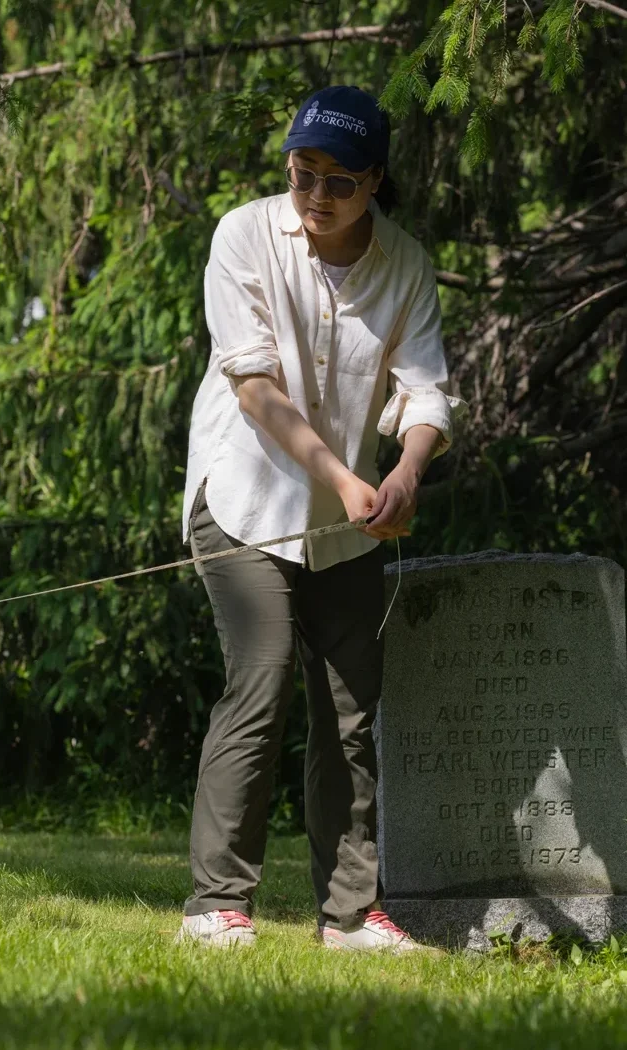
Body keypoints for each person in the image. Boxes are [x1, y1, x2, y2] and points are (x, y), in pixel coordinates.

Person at [177, 85, 461, 951]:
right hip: (241, 499)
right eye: (304, 175)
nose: (317, 197)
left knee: (348, 710)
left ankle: (349, 916)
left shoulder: (405, 264)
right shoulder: (243, 236)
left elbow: (425, 392)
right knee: (258, 679)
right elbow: (255, 386)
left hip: (349, 521)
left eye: (340, 181)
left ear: (375, 181)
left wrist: (407, 470)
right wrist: (345, 476)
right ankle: (215, 906)